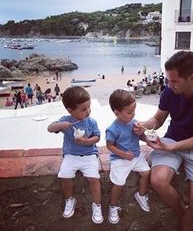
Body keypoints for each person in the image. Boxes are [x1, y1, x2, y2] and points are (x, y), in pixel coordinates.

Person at [134, 51, 193, 231]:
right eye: (168, 80)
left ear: (191, 77)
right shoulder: (169, 91)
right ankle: (186, 216)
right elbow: (158, 119)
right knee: (158, 180)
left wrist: (171, 147)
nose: (169, 85)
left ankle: (189, 223)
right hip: (172, 139)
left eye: (174, 81)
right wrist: (144, 125)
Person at [47, 86, 103, 224]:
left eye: (89, 107)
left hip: (89, 154)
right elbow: (50, 128)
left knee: (94, 178)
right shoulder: (66, 120)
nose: (88, 111)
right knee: (65, 175)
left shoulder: (91, 121)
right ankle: (69, 199)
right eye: (83, 109)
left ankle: (97, 204)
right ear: (70, 110)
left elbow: (97, 137)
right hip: (71, 154)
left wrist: (85, 141)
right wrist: (60, 126)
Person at [106, 89, 150, 224]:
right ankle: (112, 206)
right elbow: (109, 146)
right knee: (119, 183)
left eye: (134, 111)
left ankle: (141, 195)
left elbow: (141, 136)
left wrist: (143, 134)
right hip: (120, 159)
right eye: (130, 112)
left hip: (136, 156)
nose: (133, 115)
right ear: (117, 112)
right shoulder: (112, 129)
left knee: (147, 173)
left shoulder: (134, 122)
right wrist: (123, 154)